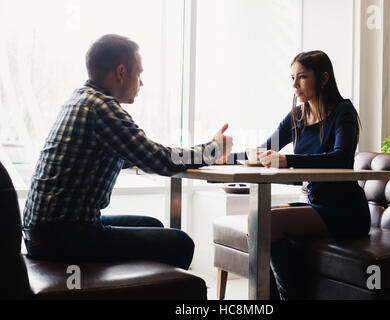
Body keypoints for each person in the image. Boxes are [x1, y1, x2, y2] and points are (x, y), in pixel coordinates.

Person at [22, 34, 232, 270]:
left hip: (44, 234)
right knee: (180, 243)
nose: (141, 83)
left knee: (151, 224)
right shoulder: (101, 107)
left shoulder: (79, 98)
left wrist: (143, 156)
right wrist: (213, 150)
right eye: (139, 73)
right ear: (121, 72)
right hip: (64, 238)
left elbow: (118, 155)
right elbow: (161, 160)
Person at [230, 50, 370, 299]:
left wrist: (287, 160)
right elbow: (264, 149)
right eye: (292, 78)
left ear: (324, 78)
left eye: (302, 77)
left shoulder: (343, 112)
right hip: (317, 204)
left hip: (346, 211)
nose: (294, 85)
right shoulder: (297, 116)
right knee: (258, 218)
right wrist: (223, 159)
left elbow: (342, 159)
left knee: (264, 222)